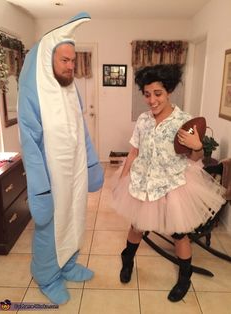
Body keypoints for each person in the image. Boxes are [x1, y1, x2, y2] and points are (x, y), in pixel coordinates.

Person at [112, 64, 226, 302]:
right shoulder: (143, 120)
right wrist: (123, 178)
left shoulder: (183, 121)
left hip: (173, 184)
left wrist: (197, 146)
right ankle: (127, 259)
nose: (152, 100)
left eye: (158, 93)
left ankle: (185, 276)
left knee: (179, 235)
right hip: (143, 181)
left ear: (169, 91)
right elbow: (134, 152)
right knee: (136, 227)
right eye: (147, 94)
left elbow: (194, 160)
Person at [18, 13, 104, 305]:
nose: (70, 66)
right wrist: (41, 189)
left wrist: (92, 164)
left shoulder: (71, 90)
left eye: (72, 60)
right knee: (50, 228)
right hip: (52, 177)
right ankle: (46, 276)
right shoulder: (35, 94)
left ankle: (67, 264)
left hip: (75, 172)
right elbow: (30, 145)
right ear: (47, 61)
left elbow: (82, 131)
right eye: (64, 60)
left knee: (74, 220)